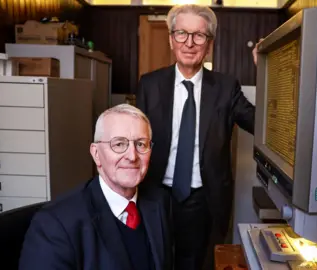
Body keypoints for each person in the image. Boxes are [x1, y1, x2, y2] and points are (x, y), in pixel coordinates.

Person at [136, 4, 255, 270]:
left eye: (199, 35)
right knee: (154, 260)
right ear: (171, 39)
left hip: (205, 201)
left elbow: (262, 125)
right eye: (181, 34)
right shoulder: (149, 84)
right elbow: (136, 138)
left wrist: (266, 68)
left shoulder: (226, 87)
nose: (189, 43)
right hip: (155, 195)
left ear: (209, 43)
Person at [19, 104, 172, 270]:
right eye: (119, 144)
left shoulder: (160, 202)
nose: (132, 156)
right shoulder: (55, 224)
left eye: (141, 144)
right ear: (96, 154)